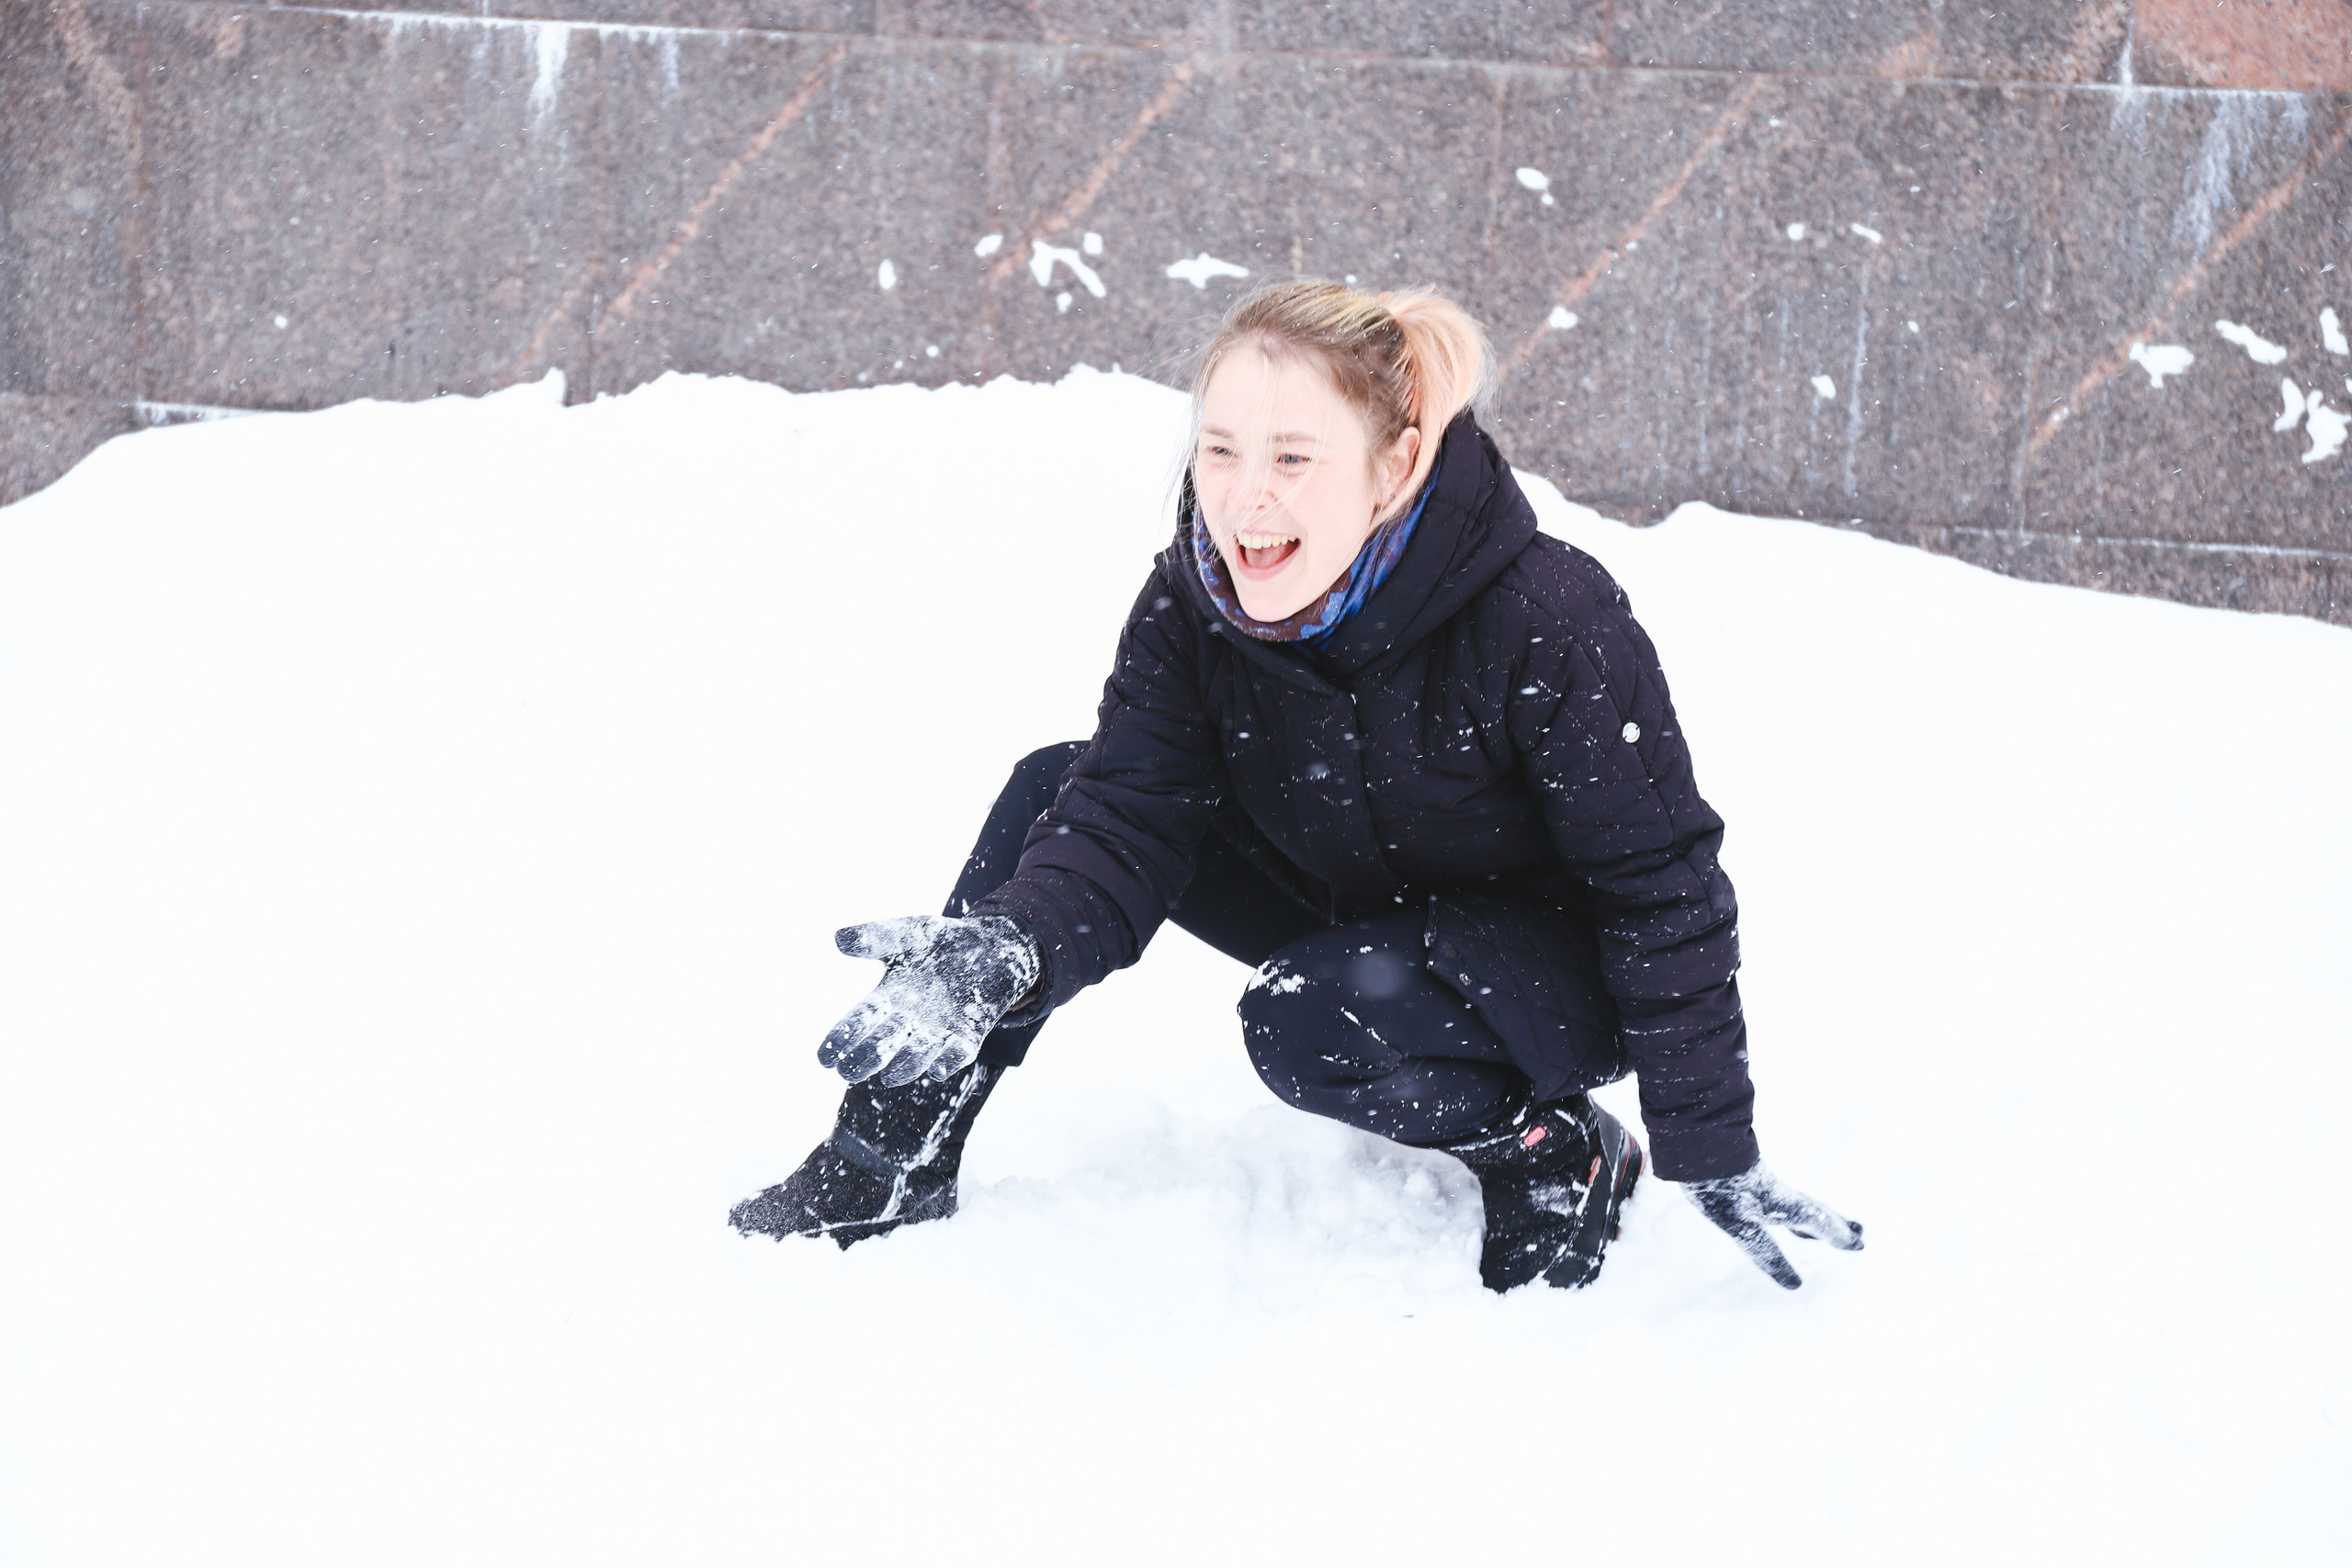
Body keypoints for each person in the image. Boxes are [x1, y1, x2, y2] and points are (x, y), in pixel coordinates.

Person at [731, 281, 1862, 1292]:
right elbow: (1127, 816)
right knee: (1058, 790)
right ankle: (884, 1160)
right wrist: (1014, 946)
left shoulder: (1547, 617)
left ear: (1399, 463)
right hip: (1347, 893)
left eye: (1291, 457)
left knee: (1312, 1018)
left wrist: (1708, 1143)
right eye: (1219, 451)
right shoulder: (1194, 602)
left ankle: (1550, 1151)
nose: (1244, 501)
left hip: (1542, 960)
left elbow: (1657, 883)